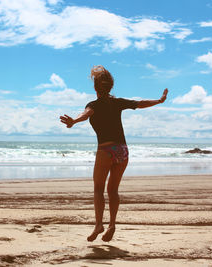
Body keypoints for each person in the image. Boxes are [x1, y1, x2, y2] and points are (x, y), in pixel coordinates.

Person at [60, 65, 168, 242]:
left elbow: (86, 114)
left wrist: (74, 121)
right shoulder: (117, 102)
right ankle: (111, 225)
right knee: (113, 190)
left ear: (95, 88)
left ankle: (98, 224)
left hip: (106, 150)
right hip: (122, 151)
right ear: (111, 87)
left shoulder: (93, 105)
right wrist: (158, 100)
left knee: (98, 188)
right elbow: (140, 103)